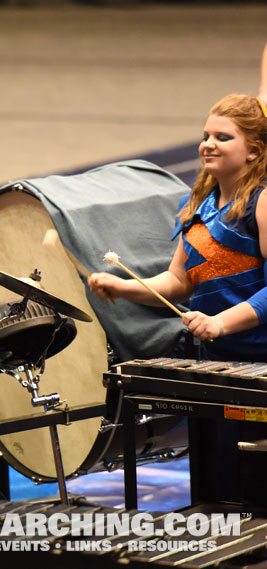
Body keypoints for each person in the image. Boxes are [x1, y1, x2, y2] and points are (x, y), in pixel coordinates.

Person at [89, 93, 267, 505]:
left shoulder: (261, 202)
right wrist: (123, 286)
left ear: (254, 150)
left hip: (258, 368)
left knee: (254, 486)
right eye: (205, 135)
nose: (208, 144)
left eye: (223, 137)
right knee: (216, 483)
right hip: (215, 366)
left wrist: (221, 322)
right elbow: (176, 281)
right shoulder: (200, 207)